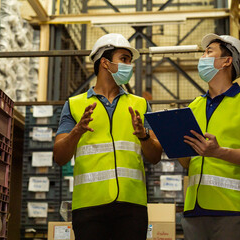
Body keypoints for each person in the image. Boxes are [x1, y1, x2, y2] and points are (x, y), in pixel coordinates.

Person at [53, 33, 162, 240]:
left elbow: (155, 156)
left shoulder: (140, 105)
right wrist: (77, 131)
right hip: (88, 208)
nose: (129, 66)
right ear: (104, 62)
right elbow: (59, 156)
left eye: (129, 61)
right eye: (124, 59)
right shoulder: (74, 105)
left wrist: (144, 136)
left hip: (132, 207)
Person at [179, 33, 240, 240]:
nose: (202, 58)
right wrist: (173, 143)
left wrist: (219, 152)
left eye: (209, 52)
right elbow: (187, 162)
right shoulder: (193, 107)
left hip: (232, 210)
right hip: (194, 211)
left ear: (226, 61)